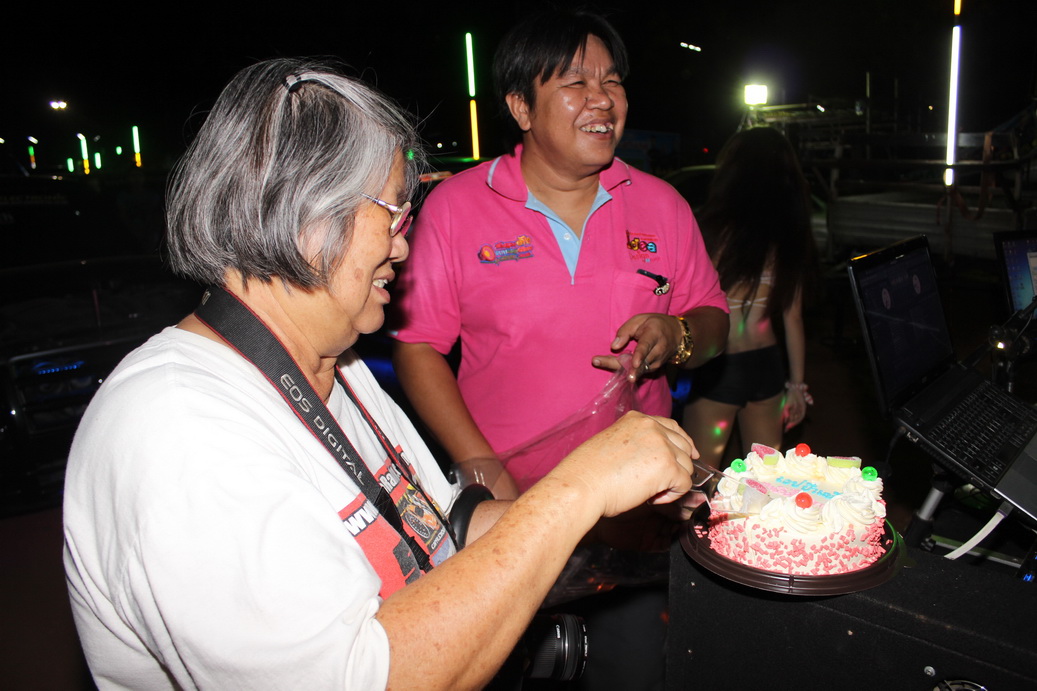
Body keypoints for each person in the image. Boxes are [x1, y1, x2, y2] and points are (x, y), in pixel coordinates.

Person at [61, 58, 704, 691]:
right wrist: (577, 490)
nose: (403, 243)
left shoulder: (334, 366)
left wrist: (609, 521)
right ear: (307, 209)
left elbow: (445, 530)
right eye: (393, 212)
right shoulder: (183, 430)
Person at [390, 10, 728, 690]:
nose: (602, 99)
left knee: (633, 670)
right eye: (575, 83)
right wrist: (484, 469)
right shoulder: (456, 208)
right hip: (507, 513)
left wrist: (679, 335)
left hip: (635, 517)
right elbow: (418, 345)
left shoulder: (661, 205)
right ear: (520, 106)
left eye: (612, 81)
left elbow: (714, 318)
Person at [681, 126, 818, 467]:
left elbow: (690, 300)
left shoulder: (715, 229)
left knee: (699, 479)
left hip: (722, 363)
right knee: (763, 479)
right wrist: (797, 386)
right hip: (767, 366)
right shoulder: (790, 234)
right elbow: (793, 317)